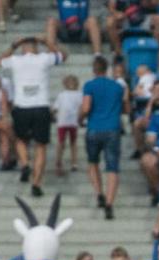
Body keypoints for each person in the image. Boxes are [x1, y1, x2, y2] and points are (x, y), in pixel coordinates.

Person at [0, 35, 66, 198]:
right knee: (40, 147)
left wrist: (14, 43)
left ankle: (25, 164)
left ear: (23, 48)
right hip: (41, 106)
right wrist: (47, 41)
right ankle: (36, 183)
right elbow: (63, 55)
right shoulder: (44, 59)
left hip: (22, 107)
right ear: (37, 48)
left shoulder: (15, 60)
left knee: (20, 140)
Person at [81, 56, 127, 220]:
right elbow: (125, 107)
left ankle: (99, 192)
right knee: (112, 168)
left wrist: (80, 118)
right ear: (107, 69)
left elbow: (86, 107)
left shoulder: (89, 85)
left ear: (94, 69)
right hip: (113, 128)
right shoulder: (117, 86)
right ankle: (109, 203)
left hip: (94, 127)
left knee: (93, 162)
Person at [53, 74, 82, 176]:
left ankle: (74, 162)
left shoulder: (79, 94)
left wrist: (80, 118)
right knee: (61, 142)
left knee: (73, 142)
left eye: (73, 82)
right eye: (69, 82)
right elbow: (56, 107)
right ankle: (58, 161)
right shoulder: (62, 95)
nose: (71, 84)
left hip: (73, 122)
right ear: (65, 84)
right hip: (63, 122)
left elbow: (81, 107)